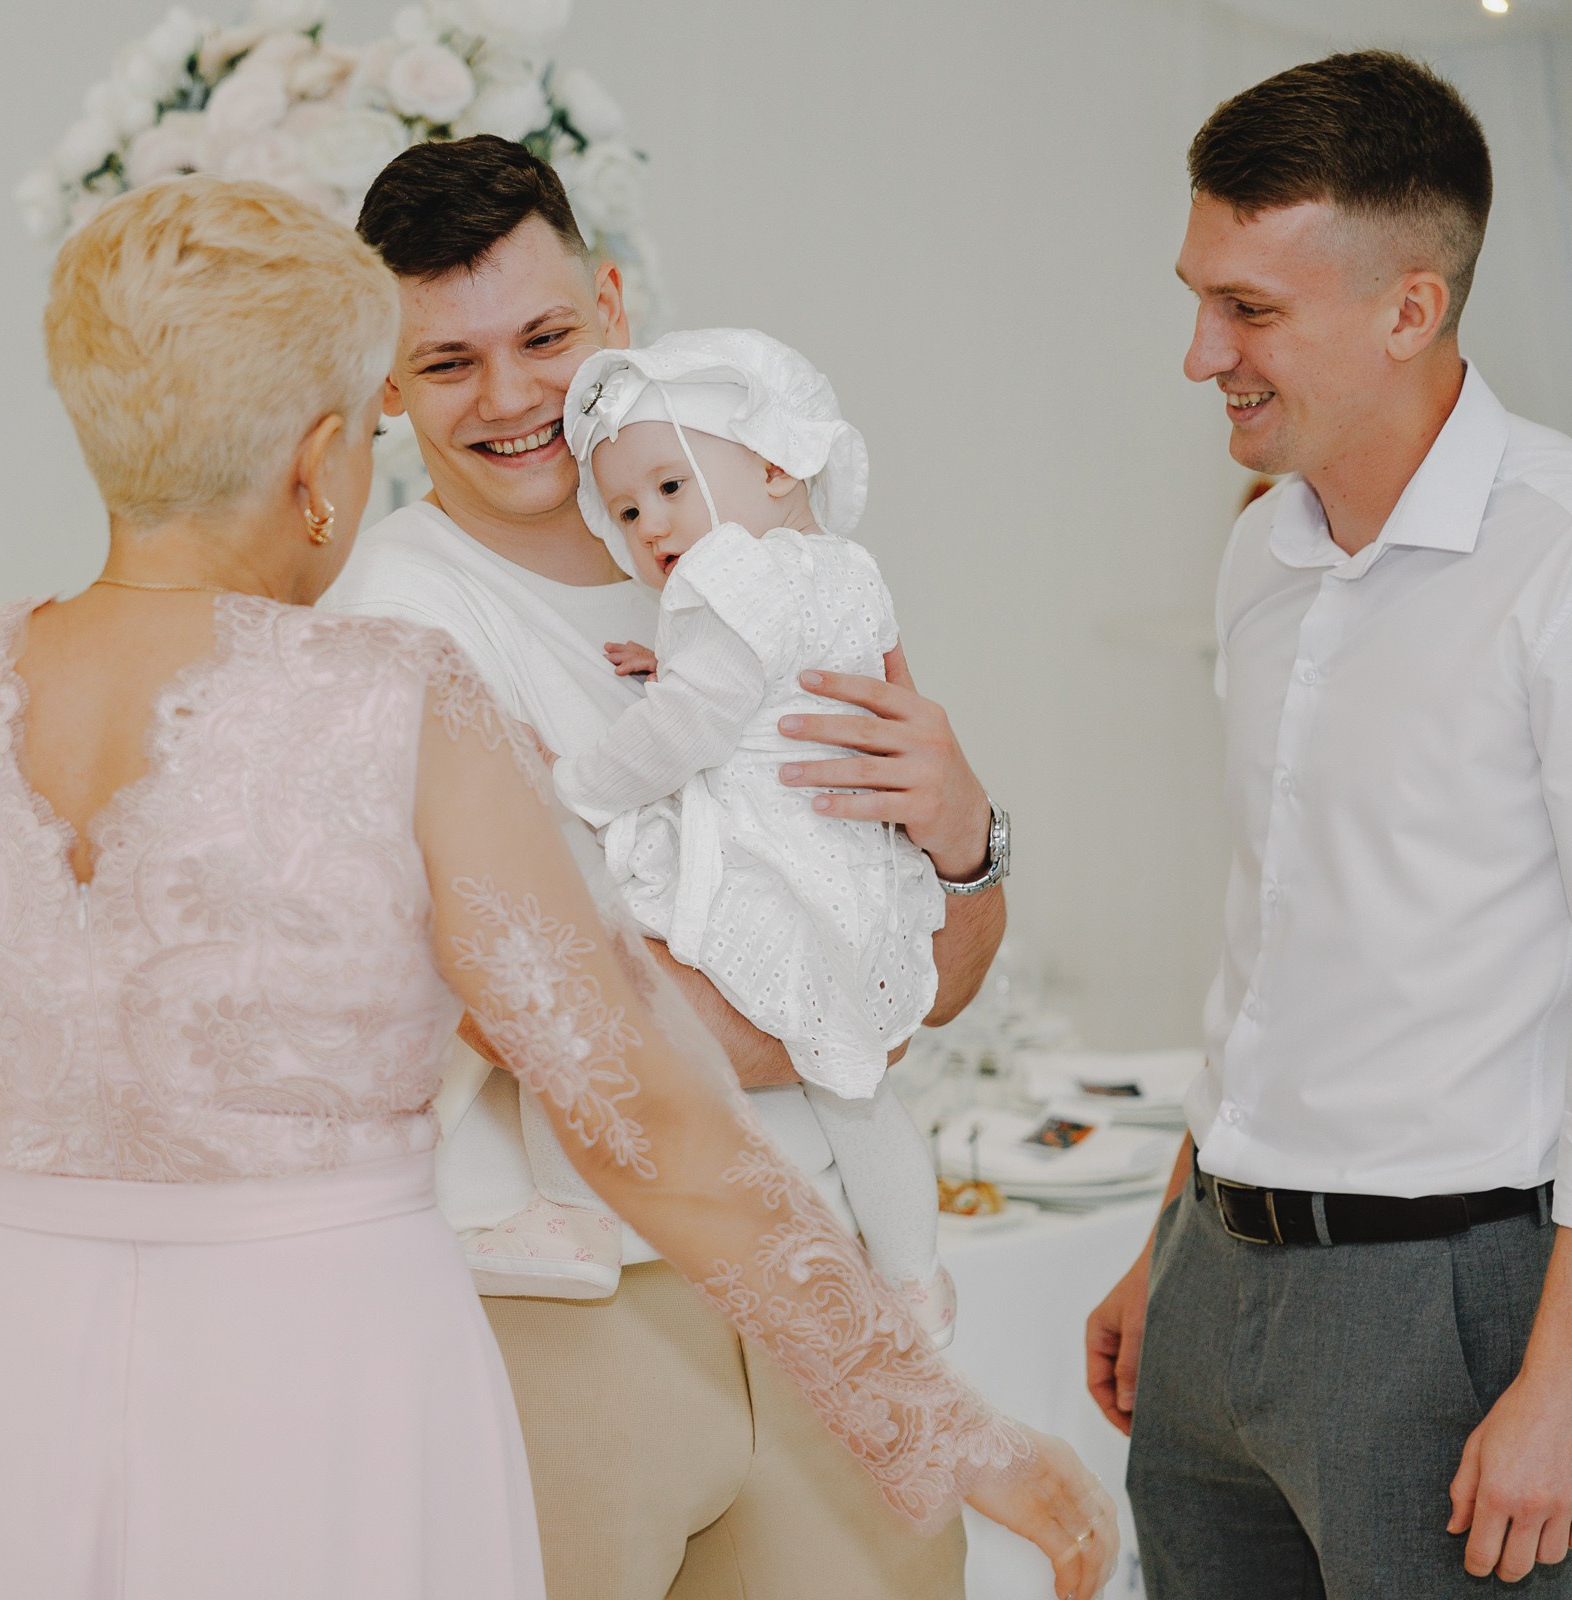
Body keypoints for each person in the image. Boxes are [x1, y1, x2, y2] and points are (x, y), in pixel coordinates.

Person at [0, 175, 1114, 1600]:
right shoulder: (394, 695)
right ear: (325, 457)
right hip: (332, 1372)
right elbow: (640, 1107)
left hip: (0, 1367)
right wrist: (935, 1422)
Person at [322, 135, 1011, 1600]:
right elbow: (547, 1023)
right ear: (383, 382)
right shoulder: (396, 621)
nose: (511, 399)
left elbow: (936, 973)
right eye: (446, 364)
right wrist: (852, 1005)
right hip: (587, 1318)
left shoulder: (757, 553)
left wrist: (963, 837)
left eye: (546, 337)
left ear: (616, 307)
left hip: (829, 1293)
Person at [1083, 50, 1572, 1598]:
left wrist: (1562, 1388)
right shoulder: (1263, 557)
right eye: (1198, 295)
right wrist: (1174, 1235)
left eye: (1252, 310)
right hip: (1215, 1285)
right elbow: (1275, 934)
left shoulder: (1557, 564)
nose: (1199, 354)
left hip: (1455, 1306)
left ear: (1411, 308)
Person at [519, 328, 953, 1345]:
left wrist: (577, 787)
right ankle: (916, 1280)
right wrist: (679, 656)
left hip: (757, 860)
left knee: (569, 977)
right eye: (626, 510)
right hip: (847, 864)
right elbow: (848, 684)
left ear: (774, 462)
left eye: (670, 488)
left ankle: (569, 1212)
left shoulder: (725, 579)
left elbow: (690, 730)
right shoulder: (850, 572)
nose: (649, 528)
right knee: (858, 1085)